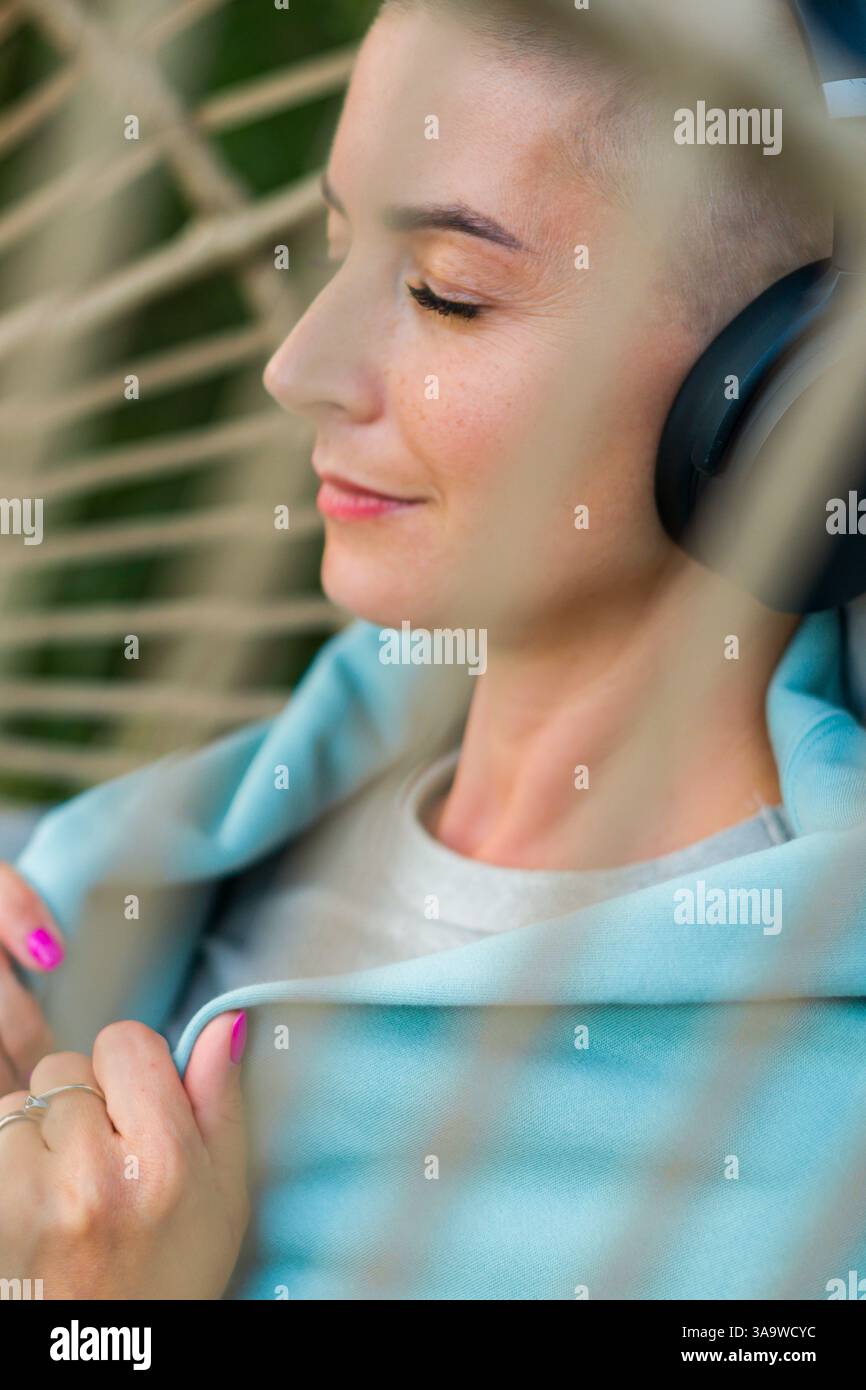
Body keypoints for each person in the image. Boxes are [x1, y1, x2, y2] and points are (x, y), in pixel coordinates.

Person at [1, 0, 865, 1301]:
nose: (300, 366)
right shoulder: (132, 857)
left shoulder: (806, 1174)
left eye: (443, 293)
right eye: (337, 244)